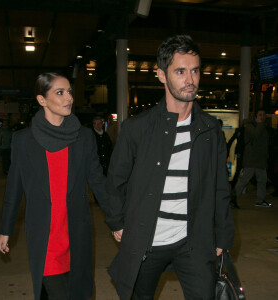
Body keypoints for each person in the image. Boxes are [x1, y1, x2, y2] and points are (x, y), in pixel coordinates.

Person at [106, 35, 234, 300]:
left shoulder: (210, 129)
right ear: (162, 75)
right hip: (148, 240)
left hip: (194, 240)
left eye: (195, 70)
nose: (191, 79)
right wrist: (117, 221)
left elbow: (221, 188)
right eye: (180, 71)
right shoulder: (137, 128)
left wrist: (223, 235)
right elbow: (115, 180)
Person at [0, 73, 109, 300]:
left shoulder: (84, 137)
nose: (68, 97)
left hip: (75, 234)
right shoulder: (24, 140)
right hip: (45, 238)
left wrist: (118, 220)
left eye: (69, 91)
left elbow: (98, 181)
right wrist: (5, 229)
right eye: (60, 92)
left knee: (78, 293)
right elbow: (14, 189)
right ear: (42, 100)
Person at [232, 109, 272, 207]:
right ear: (255, 117)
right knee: (244, 180)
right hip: (251, 159)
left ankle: (260, 200)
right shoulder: (251, 126)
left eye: (263, 115)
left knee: (262, 180)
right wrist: (260, 125)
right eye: (260, 115)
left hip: (260, 160)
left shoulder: (263, 127)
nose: (262, 117)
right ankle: (231, 198)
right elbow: (256, 135)